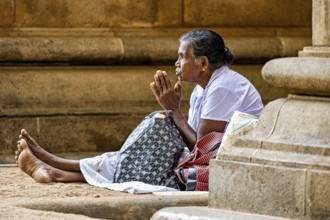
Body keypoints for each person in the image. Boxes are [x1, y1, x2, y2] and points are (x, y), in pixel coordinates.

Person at [15, 29, 263, 184]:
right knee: (151, 139)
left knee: (159, 125)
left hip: (223, 168)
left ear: (203, 63)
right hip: (207, 161)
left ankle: (55, 165)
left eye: (182, 56)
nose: (176, 63)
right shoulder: (205, 87)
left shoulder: (224, 87)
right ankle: (56, 171)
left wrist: (173, 111)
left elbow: (202, 151)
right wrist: (171, 112)